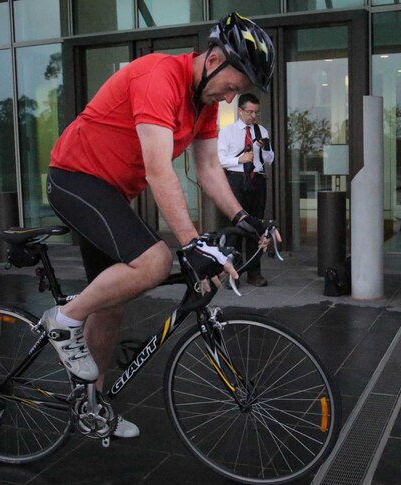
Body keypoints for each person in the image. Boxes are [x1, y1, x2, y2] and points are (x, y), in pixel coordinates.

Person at [42, 12, 278, 439]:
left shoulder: (201, 103)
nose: (230, 98)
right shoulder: (158, 77)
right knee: (154, 261)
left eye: (239, 92)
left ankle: (91, 408)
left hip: (110, 193)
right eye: (232, 86)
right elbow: (158, 170)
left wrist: (244, 218)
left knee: (113, 303)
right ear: (213, 60)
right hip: (75, 179)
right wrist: (190, 244)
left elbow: (207, 168)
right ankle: (64, 318)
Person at [217, 93, 274, 287]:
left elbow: (269, 159)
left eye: (256, 112)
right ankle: (233, 273)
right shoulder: (228, 132)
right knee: (235, 227)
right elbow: (219, 159)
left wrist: (263, 149)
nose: (253, 117)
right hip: (235, 180)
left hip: (257, 180)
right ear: (240, 110)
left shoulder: (261, 131)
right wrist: (238, 160)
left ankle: (254, 272)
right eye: (249, 112)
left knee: (256, 226)